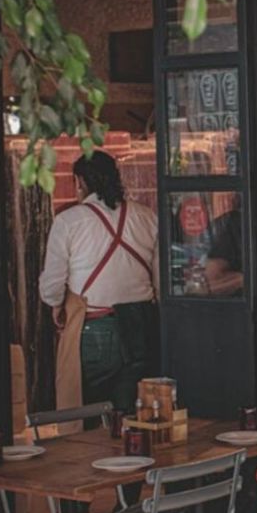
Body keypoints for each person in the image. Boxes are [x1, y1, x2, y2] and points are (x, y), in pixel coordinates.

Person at [39, 151, 159, 415]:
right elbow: (159, 279)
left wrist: (56, 305)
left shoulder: (68, 221)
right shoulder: (147, 216)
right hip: (141, 323)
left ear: (80, 182)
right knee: (132, 414)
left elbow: (52, 285)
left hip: (96, 327)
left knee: (90, 417)